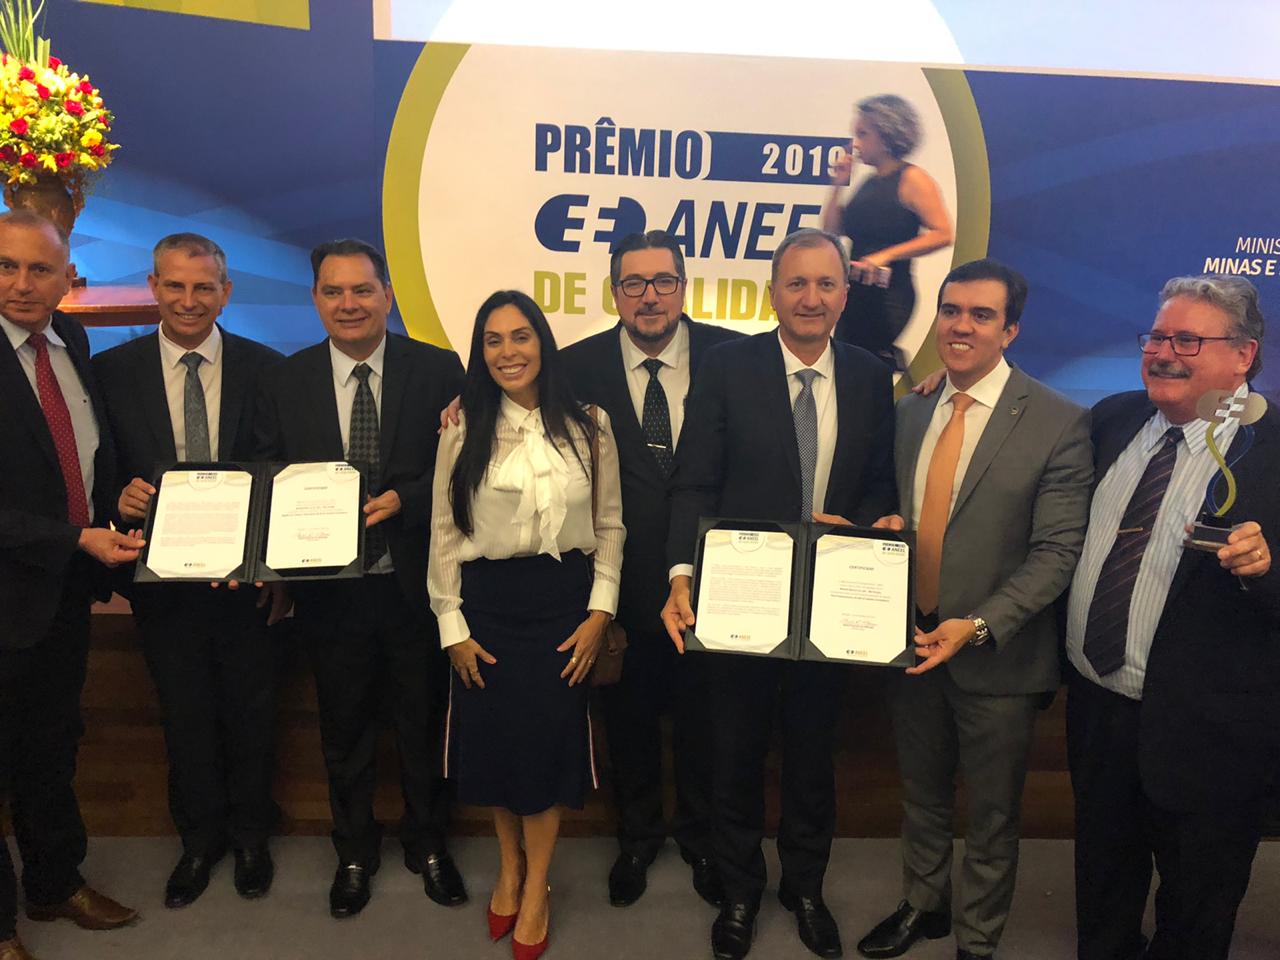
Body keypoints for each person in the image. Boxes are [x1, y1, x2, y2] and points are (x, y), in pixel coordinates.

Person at [662, 228, 896, 960]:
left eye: (826, 284)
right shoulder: (728, 368)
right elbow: (695, 481)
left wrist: (871, 523)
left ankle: (805, 888)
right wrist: (680, 575)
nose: (811, 298)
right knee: (733, 755)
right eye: (796, 283)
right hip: (742, 600)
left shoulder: (870, 376)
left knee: (811, 759)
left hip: (830, 609)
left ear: (845, 295)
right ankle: (739, 891)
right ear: (772, 294)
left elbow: (880, 482)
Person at [855, 260, 1092, 960]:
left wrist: (981, 625)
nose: (961, 326)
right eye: (951, 310)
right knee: (922, 795)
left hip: (998, 656)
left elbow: (1058, 551)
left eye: (981, 315)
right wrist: (882, 527)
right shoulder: (912, 410)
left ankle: (978, 940)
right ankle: (923, 904)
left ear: (1010, 330)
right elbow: (903, 510)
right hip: (914, 640)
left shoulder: (1058, 422)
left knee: (991, 815)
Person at [1065, 275, 1278, 960]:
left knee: (1195, 908)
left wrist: (1268, 569)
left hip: (1209, 732)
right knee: (1102, 884)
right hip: (1099, 708)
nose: (1162, 353)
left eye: (1188, 340)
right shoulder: (1113, 419)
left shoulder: (1274, 451)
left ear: (1243, 355)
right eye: (1156, 337)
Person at [254, 238, 466, 918]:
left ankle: (428, 843)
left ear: (388, 296)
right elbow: (267, 474)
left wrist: (407, 498)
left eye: (362, 290)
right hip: (330, 593)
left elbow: (466, 466)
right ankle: (353, 851)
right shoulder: (285, 380)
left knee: (422, 723)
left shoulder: (438, 369)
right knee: (343, 730)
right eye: (333, 291)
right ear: (316, 299)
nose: (349, 304)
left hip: (416, 587)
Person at [429, 290, 624, 960]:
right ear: (479, 353)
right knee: (495, 744)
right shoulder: (462, 427)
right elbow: (444, 532)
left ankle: (536, 884)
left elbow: (610, 525)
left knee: (544, 748)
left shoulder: (590, 425)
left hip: (563, 608)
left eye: (521, 336)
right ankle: (508, 865)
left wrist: (601, 611)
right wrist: (451, 625)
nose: (508, 352)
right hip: (485, 606)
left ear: (543, 342)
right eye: (493, 340)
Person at [93, 233, 286, 909]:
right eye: (174, 285)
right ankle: (199, 841)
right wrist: (117, 499)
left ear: (226, 292)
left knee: (252, 713)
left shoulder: (267, 368)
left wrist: (276, 572)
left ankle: (253, 837)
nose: (188, 300)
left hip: (247, 585)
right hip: (163, 584)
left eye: (204, 287)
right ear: (153, 287)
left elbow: (281, 472)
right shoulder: (111, 373)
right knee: (185, 716)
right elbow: (97, 470)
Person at [560, 230, 739, 909]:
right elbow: (508, 398)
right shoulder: (574, 367)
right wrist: (459, 401)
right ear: (615, 293)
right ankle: (636, 837)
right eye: (633, 283)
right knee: (628, 718)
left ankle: (699, 836)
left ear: (684, 287)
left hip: (718, 575)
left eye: (663, 281)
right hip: (620, 580)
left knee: (706, 719)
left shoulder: (735, 356)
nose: (650, 296)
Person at [0, 209, 141, 960]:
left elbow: (79, 455)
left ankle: (55, 882)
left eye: (39, 269)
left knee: (52, 744)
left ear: (66, 278)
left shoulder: (72, 340)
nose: (22, 284)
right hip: (6, 595)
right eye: (6, 266)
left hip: (61, 595)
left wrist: (116, 502)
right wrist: (73, 537)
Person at [822, 94, 952, 368]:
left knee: (865, 368)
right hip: (854, 292)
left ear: (886, 135)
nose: (855, 144)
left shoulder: (913, 179)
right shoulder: (869, 182)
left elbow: (943, 233)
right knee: (844, 367)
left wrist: (886, 255)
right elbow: (831, 229)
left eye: (863, 134)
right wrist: (838, 185)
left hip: (889, 295)